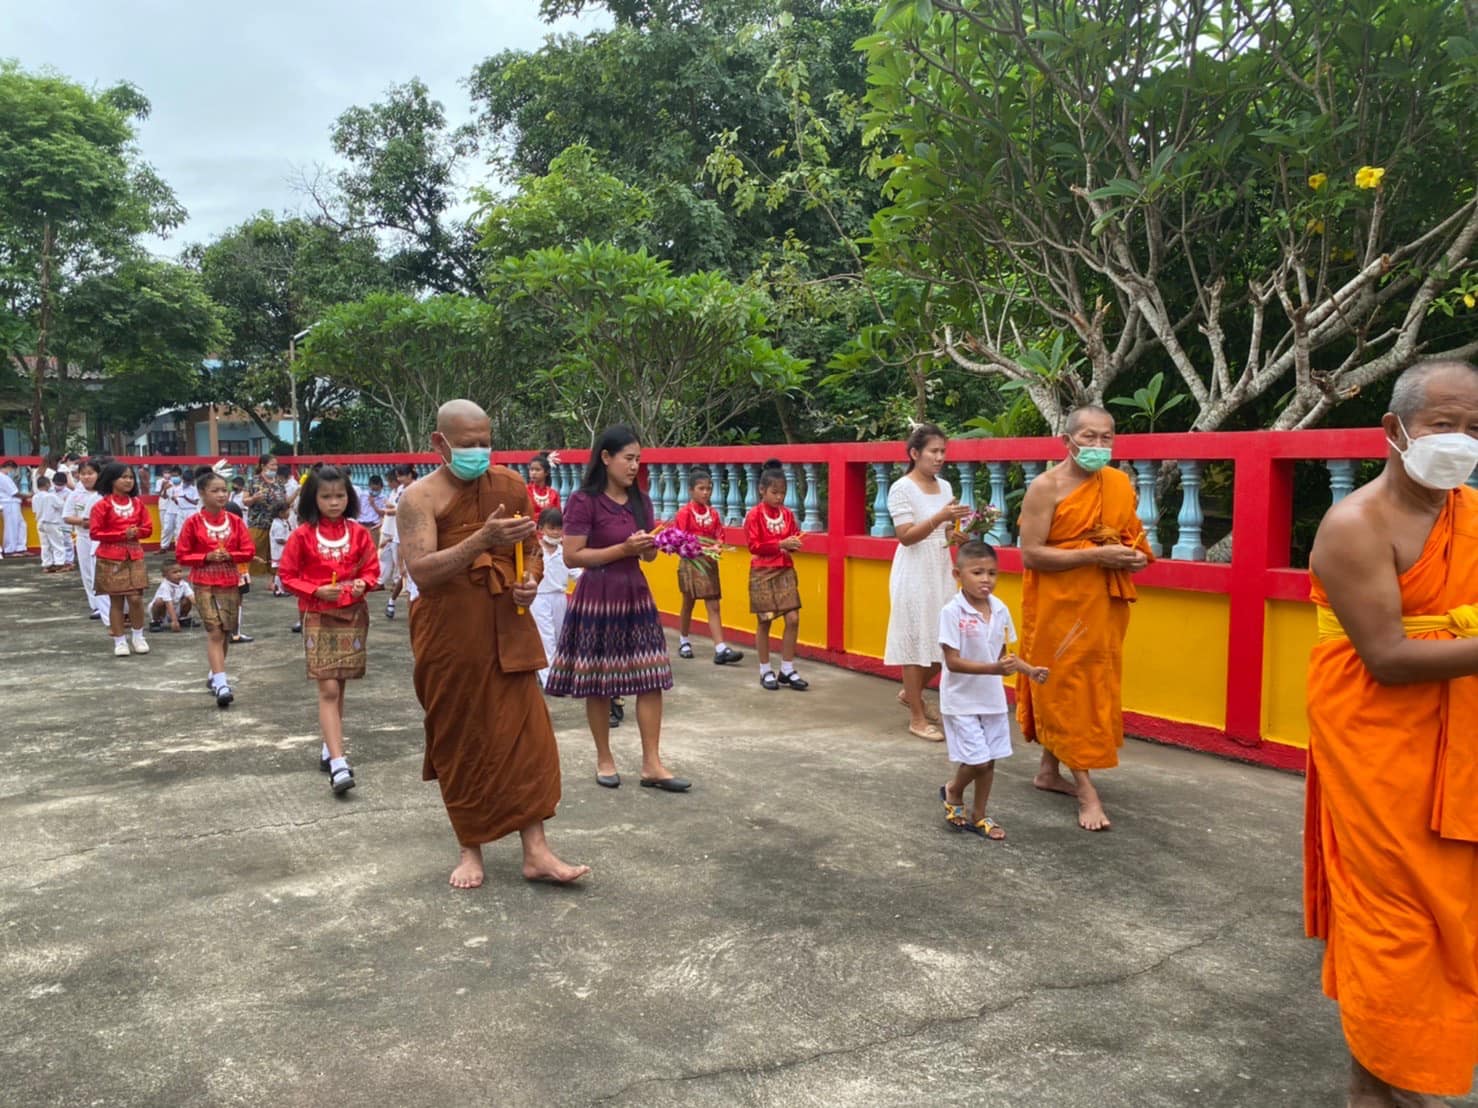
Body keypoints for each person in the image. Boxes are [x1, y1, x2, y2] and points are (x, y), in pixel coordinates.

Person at [1304, 360, 1478, 1107]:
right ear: (1395, 431)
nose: (1462, 442)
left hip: (1459, 748)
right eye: (1446, 425)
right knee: (1396, 922)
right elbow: (1388, 658)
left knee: (1453, 917)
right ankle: (1379, 1081)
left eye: (1474, 428)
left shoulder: (1468, 513)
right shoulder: (1355, 525)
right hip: (1381, 754)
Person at [399, 399, 589, 888]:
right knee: (463, 739)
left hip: (508, 630)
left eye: (486, 442)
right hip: (451, 637)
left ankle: (537, 851)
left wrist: (527, 579)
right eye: (468, 445)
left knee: (527, 740)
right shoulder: (418, 499)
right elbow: (421, 570)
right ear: (440, 444)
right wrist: (479, 540)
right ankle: (470, 848)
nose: (480, 452)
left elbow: (528, 554)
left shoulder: (509, 486)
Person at [1015, 406, 1153, 832]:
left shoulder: (1117, 483)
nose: (1097, 446)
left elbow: (1130, 534)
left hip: (1103, 607)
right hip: (1059, 609)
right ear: (1066, 440)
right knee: (1066, 688)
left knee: (1088, 686)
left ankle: (1047, 771)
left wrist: (1134, 556)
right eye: (1088, 437)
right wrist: (1095, 555)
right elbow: (1031, 554)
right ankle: (1087, 791)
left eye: (1106, 438)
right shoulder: (1046, 487)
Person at [545, 424, 688, 792]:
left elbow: (651, 554)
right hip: (598, 596)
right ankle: (604, 757)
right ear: (606, 458)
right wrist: (622, 549)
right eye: (628, 458)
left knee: (651, 676)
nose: (634, 466)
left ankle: (652, 763)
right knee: (599, 681)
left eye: (638, 459)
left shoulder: (641, 501)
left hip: (635, 593)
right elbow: (574, 554)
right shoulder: (583, 501)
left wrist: (649, 546)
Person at [278, 466, 379, 796]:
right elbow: (288, 574)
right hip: (318, 615)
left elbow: (371, 569)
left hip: (352, 614)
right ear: (313, 498)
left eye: (340, 496)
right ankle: (338, 763)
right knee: (329, 689)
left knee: (341, 683)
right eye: (326, 496)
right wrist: (316, 590)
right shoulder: (302, 535)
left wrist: (362, 583)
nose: (334, 502)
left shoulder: (360, 533)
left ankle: (329, 744)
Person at [937, 540, 1048, 841]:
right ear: (957, 574)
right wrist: (994, 670)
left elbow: (1003, 656)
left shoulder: (1000, 610)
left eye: (992, 573)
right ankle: (954, 790)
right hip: (960, 698)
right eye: (977, 572)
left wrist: (1030, 670)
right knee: (978, 759)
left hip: (991, 699)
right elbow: (953, 662)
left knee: (991, 759)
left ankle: (980, 815)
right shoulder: (952, 612)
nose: (986, 579)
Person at [885, 424, 973, 740]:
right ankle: (917, 716)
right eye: (933, 452)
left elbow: (944, 532)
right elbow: (906, 536)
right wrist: (940, 519)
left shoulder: (945, 487)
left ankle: (912, 693)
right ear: (914, 454)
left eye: (942, 452)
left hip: (939, 568)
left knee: (945, 641)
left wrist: (955, 535)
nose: (939, 458)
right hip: (913, 571)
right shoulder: (901, 488)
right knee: (915, 642)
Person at [176, 470, 256, 707]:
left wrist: (230, 554)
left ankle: (215, 673)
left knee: (226, 632)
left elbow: (249, 550)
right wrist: (206, 556)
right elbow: (182, 554)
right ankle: (222, 682)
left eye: (224, 490)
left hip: (230, 581)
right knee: (214, 631)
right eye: (215, 490)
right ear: (202, 493)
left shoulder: (235, 521)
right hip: (204, 581)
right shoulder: (192, 522)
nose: (222, 495)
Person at [744, 460, 809, 692]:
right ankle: (764, 669)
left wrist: (793, 544)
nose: (779, 497)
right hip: (762, 571)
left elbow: (791, 539)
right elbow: (754, 545)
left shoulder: (788, 514)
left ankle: (787, 668)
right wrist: (780, 543)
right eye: (774, 492)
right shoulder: (754, 516)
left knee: (793, 618)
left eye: (782, 493)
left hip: (785, 569)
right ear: (762, 490)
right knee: (765, 620)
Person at [673, 466, 743, 665]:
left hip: (709, 563)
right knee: (688, 602)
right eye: (701, 488)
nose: (706, 492)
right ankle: (684, 640)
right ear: (691, 490)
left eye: (708, 489)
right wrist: (698, 548)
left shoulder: (713, 514)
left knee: (713, 604)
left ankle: (720, 647)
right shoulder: (684, 513)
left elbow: (720, 534)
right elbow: (679, 540)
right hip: (691, 562)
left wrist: (718, 546)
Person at [89, 461, 154, 657]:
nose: (128, 481)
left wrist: (136, 532)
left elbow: (148, 528)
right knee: (116, 601)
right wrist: (120, 533)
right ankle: (119, 641)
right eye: (123, 477)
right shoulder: (102, 505)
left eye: (130, 477)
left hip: (134, 555)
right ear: (112, 480)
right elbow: (95, 533)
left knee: (135, 599)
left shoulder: (138, 504)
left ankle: (138, 635)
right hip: (110, 557)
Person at [531, 507, 578, 688]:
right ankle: (549, 680)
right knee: (546, 639)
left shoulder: (565, 552)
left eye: (559, 528)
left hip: (559, 598)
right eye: (551, 528)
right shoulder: (535, 550)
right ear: (541, 528)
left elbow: (577, 573)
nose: (556, 532)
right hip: (539, 598)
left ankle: (559, 675)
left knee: (560, 638)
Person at [63, 458, 110, 622]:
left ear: (98, 474)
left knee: (104, 571)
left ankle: (110, 604)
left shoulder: (105, 493)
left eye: (90, 473)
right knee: (88, 573)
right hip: (84, 537)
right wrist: (84, 522)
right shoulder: (75, 495)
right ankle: (96, 605)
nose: (87, 477)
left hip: (103, 538)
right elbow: (67, 517)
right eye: (83, 474)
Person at [243, 454, 296, 579]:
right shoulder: (253, 481)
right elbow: (245, 501)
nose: (274, 467)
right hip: (258, 523)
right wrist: (254, 498)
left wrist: (296, 493)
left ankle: (274, 580)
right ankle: (247, 577)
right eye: (272, 464)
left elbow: (285, 502)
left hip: (276, 524)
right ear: (263, 465)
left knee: (276, 552)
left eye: (276, 465)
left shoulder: (278, 482)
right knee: (254, 550)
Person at [378, 463, 416, 619]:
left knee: (413, 576)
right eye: (398, 476)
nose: (399, 479)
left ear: (410, 475)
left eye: (401, 475)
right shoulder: (401, 490)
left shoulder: (417, 489)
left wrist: (389, 510)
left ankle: (397, 604)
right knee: (405, 574)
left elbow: (399, 510)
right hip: (402, 533)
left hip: (416, 533)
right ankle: (392, 601)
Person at [32, 475, 69, 572]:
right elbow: (62, 506)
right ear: (48, 484)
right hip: (52, 522)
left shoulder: (35, 497)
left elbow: (35, 511)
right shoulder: (51, 496)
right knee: (58, 544)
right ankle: (59, 564)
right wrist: (65, 501)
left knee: (45, 545)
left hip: (40, 522)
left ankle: (47, 564)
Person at [148, 561, 195, 632]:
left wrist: (205, 613)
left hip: (175, 608)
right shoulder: (165, 586)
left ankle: (182, 618)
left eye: (180, 571)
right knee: (159, 601)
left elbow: (192, 598)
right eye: (175, 572)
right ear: (165, 575)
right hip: (162, 610)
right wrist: (174, 621)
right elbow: (168, 603)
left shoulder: (184, 584)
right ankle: (156, 621)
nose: (179, 574)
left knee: (187, 599)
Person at [0, 459, 25, 557]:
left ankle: (20, 547)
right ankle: (10, 549)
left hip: (13, 503)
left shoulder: (5, 477)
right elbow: (14, 493)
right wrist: (27, 495)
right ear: (10, 468)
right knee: (11, 526)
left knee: (21, 525)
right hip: (8, 503)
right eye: (14, 470)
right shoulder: (3, 477)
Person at [526, 452, 560, 523]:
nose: (533, 473)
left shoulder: (553, 494)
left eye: (537, 470)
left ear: (546, 472)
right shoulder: (525, 491)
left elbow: (558, 516)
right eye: (531, 469)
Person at [157, 465, 184, 550]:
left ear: (180, 475)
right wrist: (164, 489)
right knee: (167, 528)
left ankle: (178, 547)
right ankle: (163, 547)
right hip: (169, 509)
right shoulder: (168, 484)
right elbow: (164, 497)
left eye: (176, 476)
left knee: (179, 530)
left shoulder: (184, 485)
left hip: (180, 510)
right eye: (173, 476)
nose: (174, 477)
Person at [268, 503, 292, 596]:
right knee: (279, 570)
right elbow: (279, 539)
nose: (289, 513)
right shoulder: (277, 524)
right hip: (279, 551)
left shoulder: (283, 521)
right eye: (287, 511)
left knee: (282, 570)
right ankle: (278, 590)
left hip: (283, 551)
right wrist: (290, 543)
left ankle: (282, 588)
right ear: (281, 513)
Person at [357, 474, 385, 540]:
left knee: (373, 548)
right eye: (372, 489)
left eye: (376, 489)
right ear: (369, 486)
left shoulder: (383, 498)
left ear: (381, 488)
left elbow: (383, 514)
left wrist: (373, 504)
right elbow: (357, 510)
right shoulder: (362, 496)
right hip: (362, 525)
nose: (374, 491)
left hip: (374, 527)